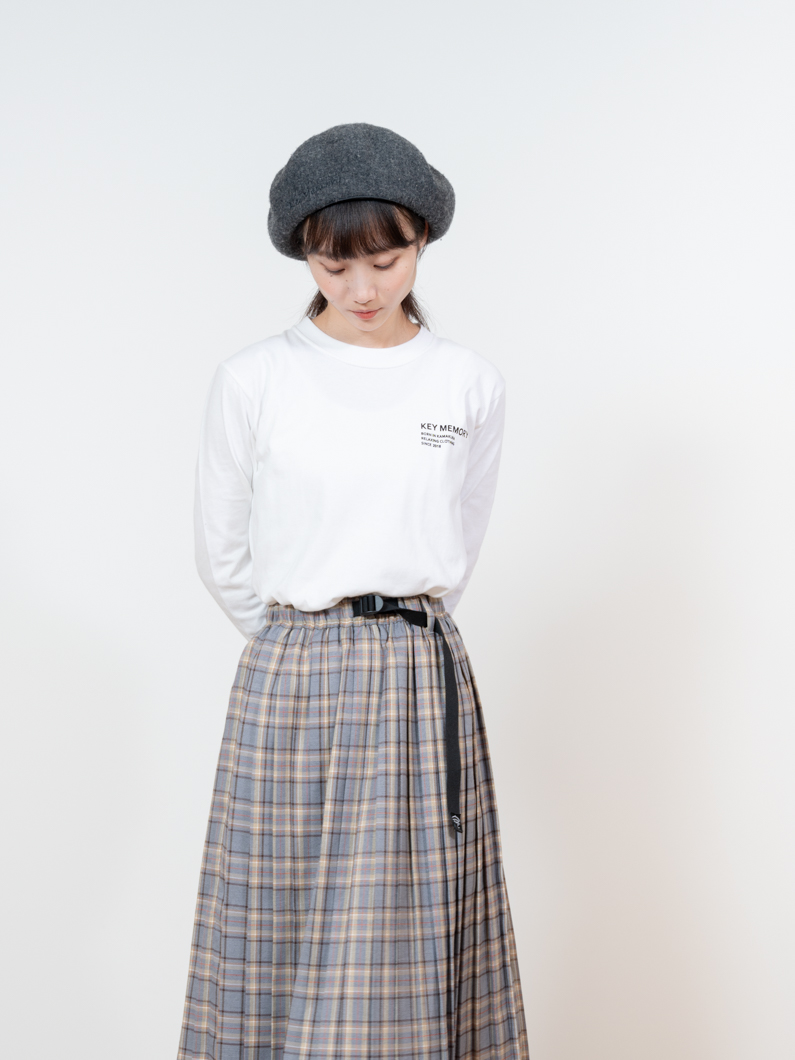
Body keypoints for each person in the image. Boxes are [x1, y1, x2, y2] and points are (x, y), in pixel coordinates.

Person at [178, 122, 529, 1060]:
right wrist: (302, 638)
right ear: (304, 253)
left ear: (422, 241)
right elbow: (221, 550)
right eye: (335, 266)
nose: (363, 289)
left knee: (402, 932)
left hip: (416, 671)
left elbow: (459, 537)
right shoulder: (254, 379)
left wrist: (393, 631)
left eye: (386, 260)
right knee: (274, 915)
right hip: (291, 670)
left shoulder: (466, 382)